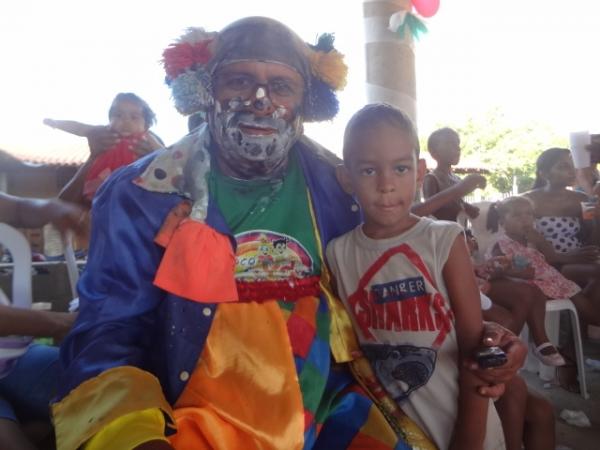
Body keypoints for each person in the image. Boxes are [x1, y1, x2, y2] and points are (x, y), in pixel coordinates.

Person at [52, 17, 525, 450]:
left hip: (332, 405)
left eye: (281, 86)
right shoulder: (142, 192)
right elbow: (108, 329)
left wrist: (488, 339)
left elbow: (396, 277)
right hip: (195, 417)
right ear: (205, 90)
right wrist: (134, 433)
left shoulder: (339, 183)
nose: (261, 100)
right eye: (240, 81)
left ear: (305, 100)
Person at [326, 103, 505, 449]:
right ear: (345, 178)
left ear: (419, 172)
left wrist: (467, 441)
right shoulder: (337, 254)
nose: (386, 185)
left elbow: (476, 352)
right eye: (367, 171)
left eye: (400, 168)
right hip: (390, 435)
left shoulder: (443, 241)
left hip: (466, 429)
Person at [0, 193, 80, 450]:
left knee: (101, 383)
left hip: (11, 357)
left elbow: (20, 208)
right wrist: (60, 323)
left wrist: (49, 207)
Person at [486, 196, 600, 328]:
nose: (525, 218)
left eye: (529, 214)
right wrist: (517, 271)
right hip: (529, 284)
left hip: (551, 280)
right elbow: (498, 266)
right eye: (517, 215)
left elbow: (551, 257)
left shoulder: (533, 239)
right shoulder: (501, 244)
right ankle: (590, 321)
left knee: (579, 297)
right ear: (502, 222)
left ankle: (584, 325)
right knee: (578, 299)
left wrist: (540, 241)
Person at [46, 93, 164, 206]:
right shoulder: (103, 133)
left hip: (133, 186)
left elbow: (166, 154)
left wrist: (155, 158)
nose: (125, 121)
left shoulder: (148, 138)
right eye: (118, 115)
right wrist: (57, 123)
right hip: (102, 182)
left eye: (134, 117)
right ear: (110, 119)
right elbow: (79, 127)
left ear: (146, 125)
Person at [523, 148, 600, 288]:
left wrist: (598, 220)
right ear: (544, 173)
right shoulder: (527, 201)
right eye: (563, 166)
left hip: (578, 261)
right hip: (544, 264)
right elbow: (520, 242)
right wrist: (566, 257)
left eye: (573, 166)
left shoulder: (583, 200)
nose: (572, 171)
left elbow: (592, 242)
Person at [422, 127, 486, 221]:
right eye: (450, 144)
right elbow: (428, 210)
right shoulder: (431, 179)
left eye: (457, 143)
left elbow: (458, 203)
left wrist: (468, 208)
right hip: (440, 234)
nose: (458, 148)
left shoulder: (457, 180)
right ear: (434, 153)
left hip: (459, 232)